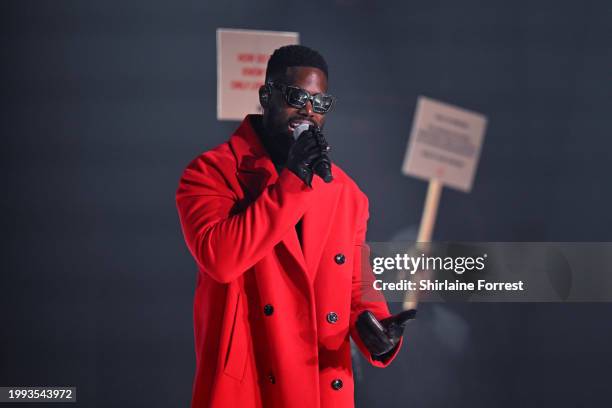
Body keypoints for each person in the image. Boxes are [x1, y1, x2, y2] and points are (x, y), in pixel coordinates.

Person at [176, 45, 415, 408]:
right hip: (251, 386)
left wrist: (378, 330)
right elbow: (221, 259)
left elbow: (354, 285)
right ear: (265, 96)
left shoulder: (346, 194)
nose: (307, 111)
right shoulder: (210, 173)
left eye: (319, 103)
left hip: (320, 384)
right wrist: (292, 181)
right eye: (296, 97)